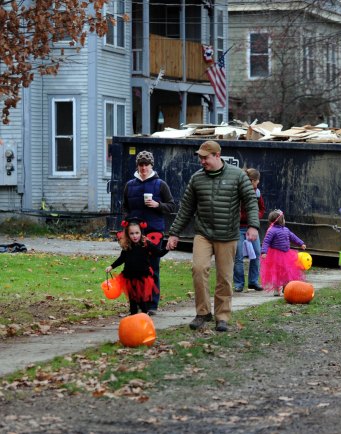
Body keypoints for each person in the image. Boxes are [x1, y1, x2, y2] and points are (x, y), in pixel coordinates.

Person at [166, 141, 260, 333]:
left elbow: (250, 201)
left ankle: (222, 316)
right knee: (198, 269)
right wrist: (174, 233)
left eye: (205, 157)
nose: (202, 161)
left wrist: (253, 226)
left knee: (224, 277)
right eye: (200, 158)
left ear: (217, 155)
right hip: (204, 233)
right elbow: (186, 208)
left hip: (228, 234)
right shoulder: (197, 179)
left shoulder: (238, 176)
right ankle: (202, 313)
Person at [122, 150, 176, 315]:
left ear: (151, 165)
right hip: (134, 235)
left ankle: (152, 304)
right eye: (141, 165)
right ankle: (137, 302)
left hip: (154, 233)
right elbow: (125, 207)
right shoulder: (130, 185)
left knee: (152, 268)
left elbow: (172, 206)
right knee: (134, 269)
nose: (144, 168)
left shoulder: (160, 184)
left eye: (146, 165)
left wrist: (157, 205)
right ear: (137, 166)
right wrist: (127, 224)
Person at [105, 218, 168, 315]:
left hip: (142, 276)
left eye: (137, 233)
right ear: (127, 234)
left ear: (141, 232)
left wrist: (167, 248)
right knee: (132, 299)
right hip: (129, 277)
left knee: (142, 299)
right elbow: (122, 258)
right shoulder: (127, 245)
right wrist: (112, 266)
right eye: (132, 233)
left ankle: (144, 315)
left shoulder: (146, 244)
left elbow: (158, 253)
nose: (135, 236)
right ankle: (133, 316)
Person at [233, 168, 265, 292]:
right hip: (239, 228)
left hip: (252, 228)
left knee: (257, 253)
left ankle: (253, 281)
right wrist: (240, 217)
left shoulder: (257, 193)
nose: (258, 184)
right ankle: (239, 283)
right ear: (251, 180)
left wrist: (256, 217)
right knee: (239, 256)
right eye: (257, 181)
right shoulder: (238, 191)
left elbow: (262, 208)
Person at [260, 210, 306, 296]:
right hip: (276, 255)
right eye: (283, 218)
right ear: (281, 220)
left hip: (286, 254)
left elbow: (293, 237)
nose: (284, 220)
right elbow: (266, 242)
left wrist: (301, 243)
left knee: (287, 272)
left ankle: (287, 287)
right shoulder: (272, 231)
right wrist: (264, 252)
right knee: (277, 273)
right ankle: (276, 289)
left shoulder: (286, 229)